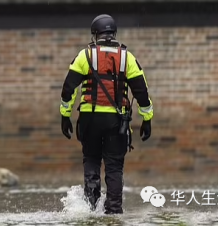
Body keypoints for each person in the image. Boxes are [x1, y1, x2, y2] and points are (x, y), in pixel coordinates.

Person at [59, 14, 153, 214]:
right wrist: (147, 118)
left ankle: (91, 210)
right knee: (114, 167)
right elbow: (141, 91)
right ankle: (114, 212)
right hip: (116, 121)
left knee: (91, 160)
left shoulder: (85, 56)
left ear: (95, 35)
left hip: (89, 119)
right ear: (114, 33)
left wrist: (65, 115)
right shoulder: (127, 58)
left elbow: (68, 88)